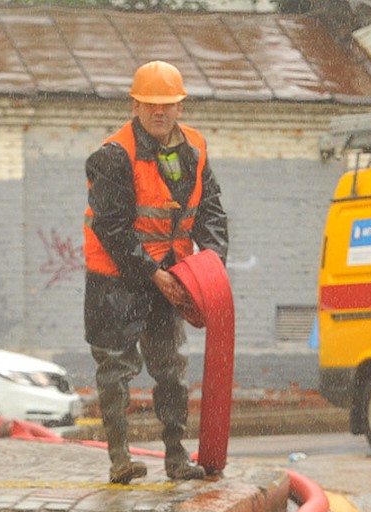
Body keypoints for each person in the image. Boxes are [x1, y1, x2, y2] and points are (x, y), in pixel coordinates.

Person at [83, 60, 229, 483]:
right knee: (116, 368)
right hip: (115, 278)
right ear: (135, 105)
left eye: (167, 104)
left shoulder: (195, 150)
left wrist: (211, 263)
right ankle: (119, 460)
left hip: (170, 274)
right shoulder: (114, 155)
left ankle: (177, 458)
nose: (159, 112)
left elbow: (211, 210)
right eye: (150, 104)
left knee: (170, 369)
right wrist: (154, 274)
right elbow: (111, 227)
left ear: (180, 107)